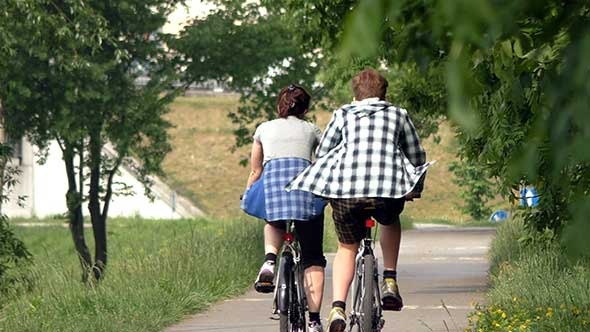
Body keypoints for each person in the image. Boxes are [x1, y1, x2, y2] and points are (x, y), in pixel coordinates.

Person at [287, 69, 430, 332]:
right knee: (389, 220)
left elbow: (324, 153)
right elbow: (416, 156)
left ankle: (338, 307)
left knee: (346, 247)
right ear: (384, 93)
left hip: (346, 193)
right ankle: (389, 280)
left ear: (355, 94)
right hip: (386, 191)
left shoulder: (342, 114)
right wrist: (414, 188)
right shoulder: (398, 114)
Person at [241, 84, 326, 332]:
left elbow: (256, 171)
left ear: (279, 105)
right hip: (303, 193)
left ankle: (269, 261)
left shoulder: (263, 129)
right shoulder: (312, 129)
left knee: (273, 218)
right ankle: (314, 321)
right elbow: (321, 164)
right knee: (313, 259)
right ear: (306, 109)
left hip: (274, 191)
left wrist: (247, 193)